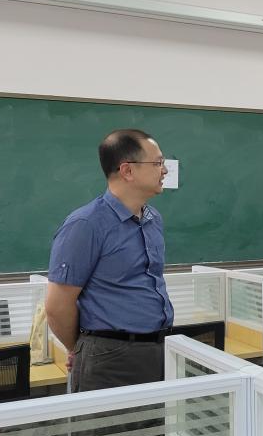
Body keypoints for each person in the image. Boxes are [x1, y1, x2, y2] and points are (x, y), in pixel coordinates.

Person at [45, 128, 174, 391]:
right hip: (109, 358)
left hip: (160, 351)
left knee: (157, 420)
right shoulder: (86, 224)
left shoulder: (153, 219)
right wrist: (80, 348)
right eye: (157, 163)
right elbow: (57, 306)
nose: (165, 170)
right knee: (108, 421)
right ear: (127, 170)